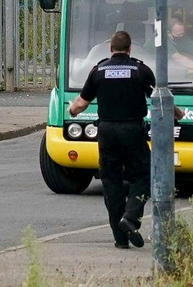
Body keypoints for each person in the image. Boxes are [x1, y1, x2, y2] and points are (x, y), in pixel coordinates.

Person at [68, 30, 156, 249]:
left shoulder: (98, 71)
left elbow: (80, 104)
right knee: (143, 176)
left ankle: (120, 237)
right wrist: (178, 113)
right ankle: (131, 218)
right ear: (130, 49)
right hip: (133, 131)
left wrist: (71, 110)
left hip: (107, 133)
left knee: (111, 183)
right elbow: (159, 99)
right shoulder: (141, 70)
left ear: (110, 49)